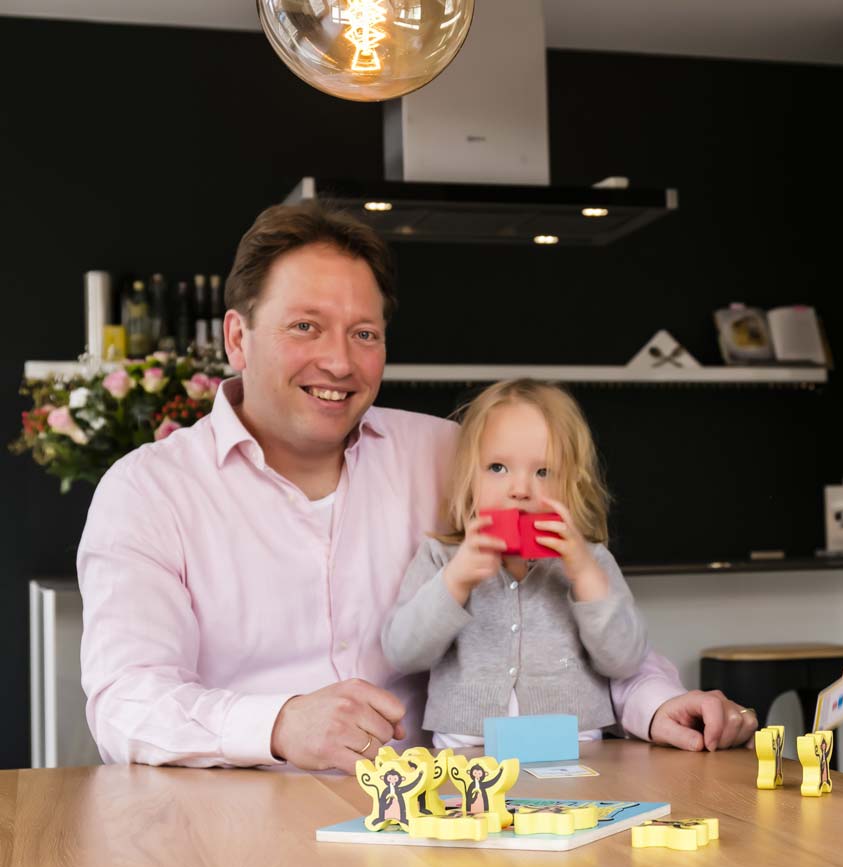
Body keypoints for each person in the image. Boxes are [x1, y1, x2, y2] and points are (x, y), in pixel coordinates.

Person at [78, 203, 757, 775]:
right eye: (305, 326)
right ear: (237, 338)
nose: (339, 361)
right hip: (239, 823)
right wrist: (279, 723)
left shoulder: (452, 457)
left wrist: (657, 703)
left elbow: (564, 615)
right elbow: (124, 702)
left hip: (444, 820)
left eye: (364, 333)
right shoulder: (148, 492)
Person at [382, 378, 649, 748]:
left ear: (573, 484)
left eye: (543, 472)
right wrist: (455, 582)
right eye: (497, 467)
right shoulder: (441, 556)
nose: (520, 489)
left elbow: (625, 661)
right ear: (468, 477)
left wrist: (585, 575)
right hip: (466, 751)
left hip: (574, 748)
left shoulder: (591, 559)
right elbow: (402, 653)